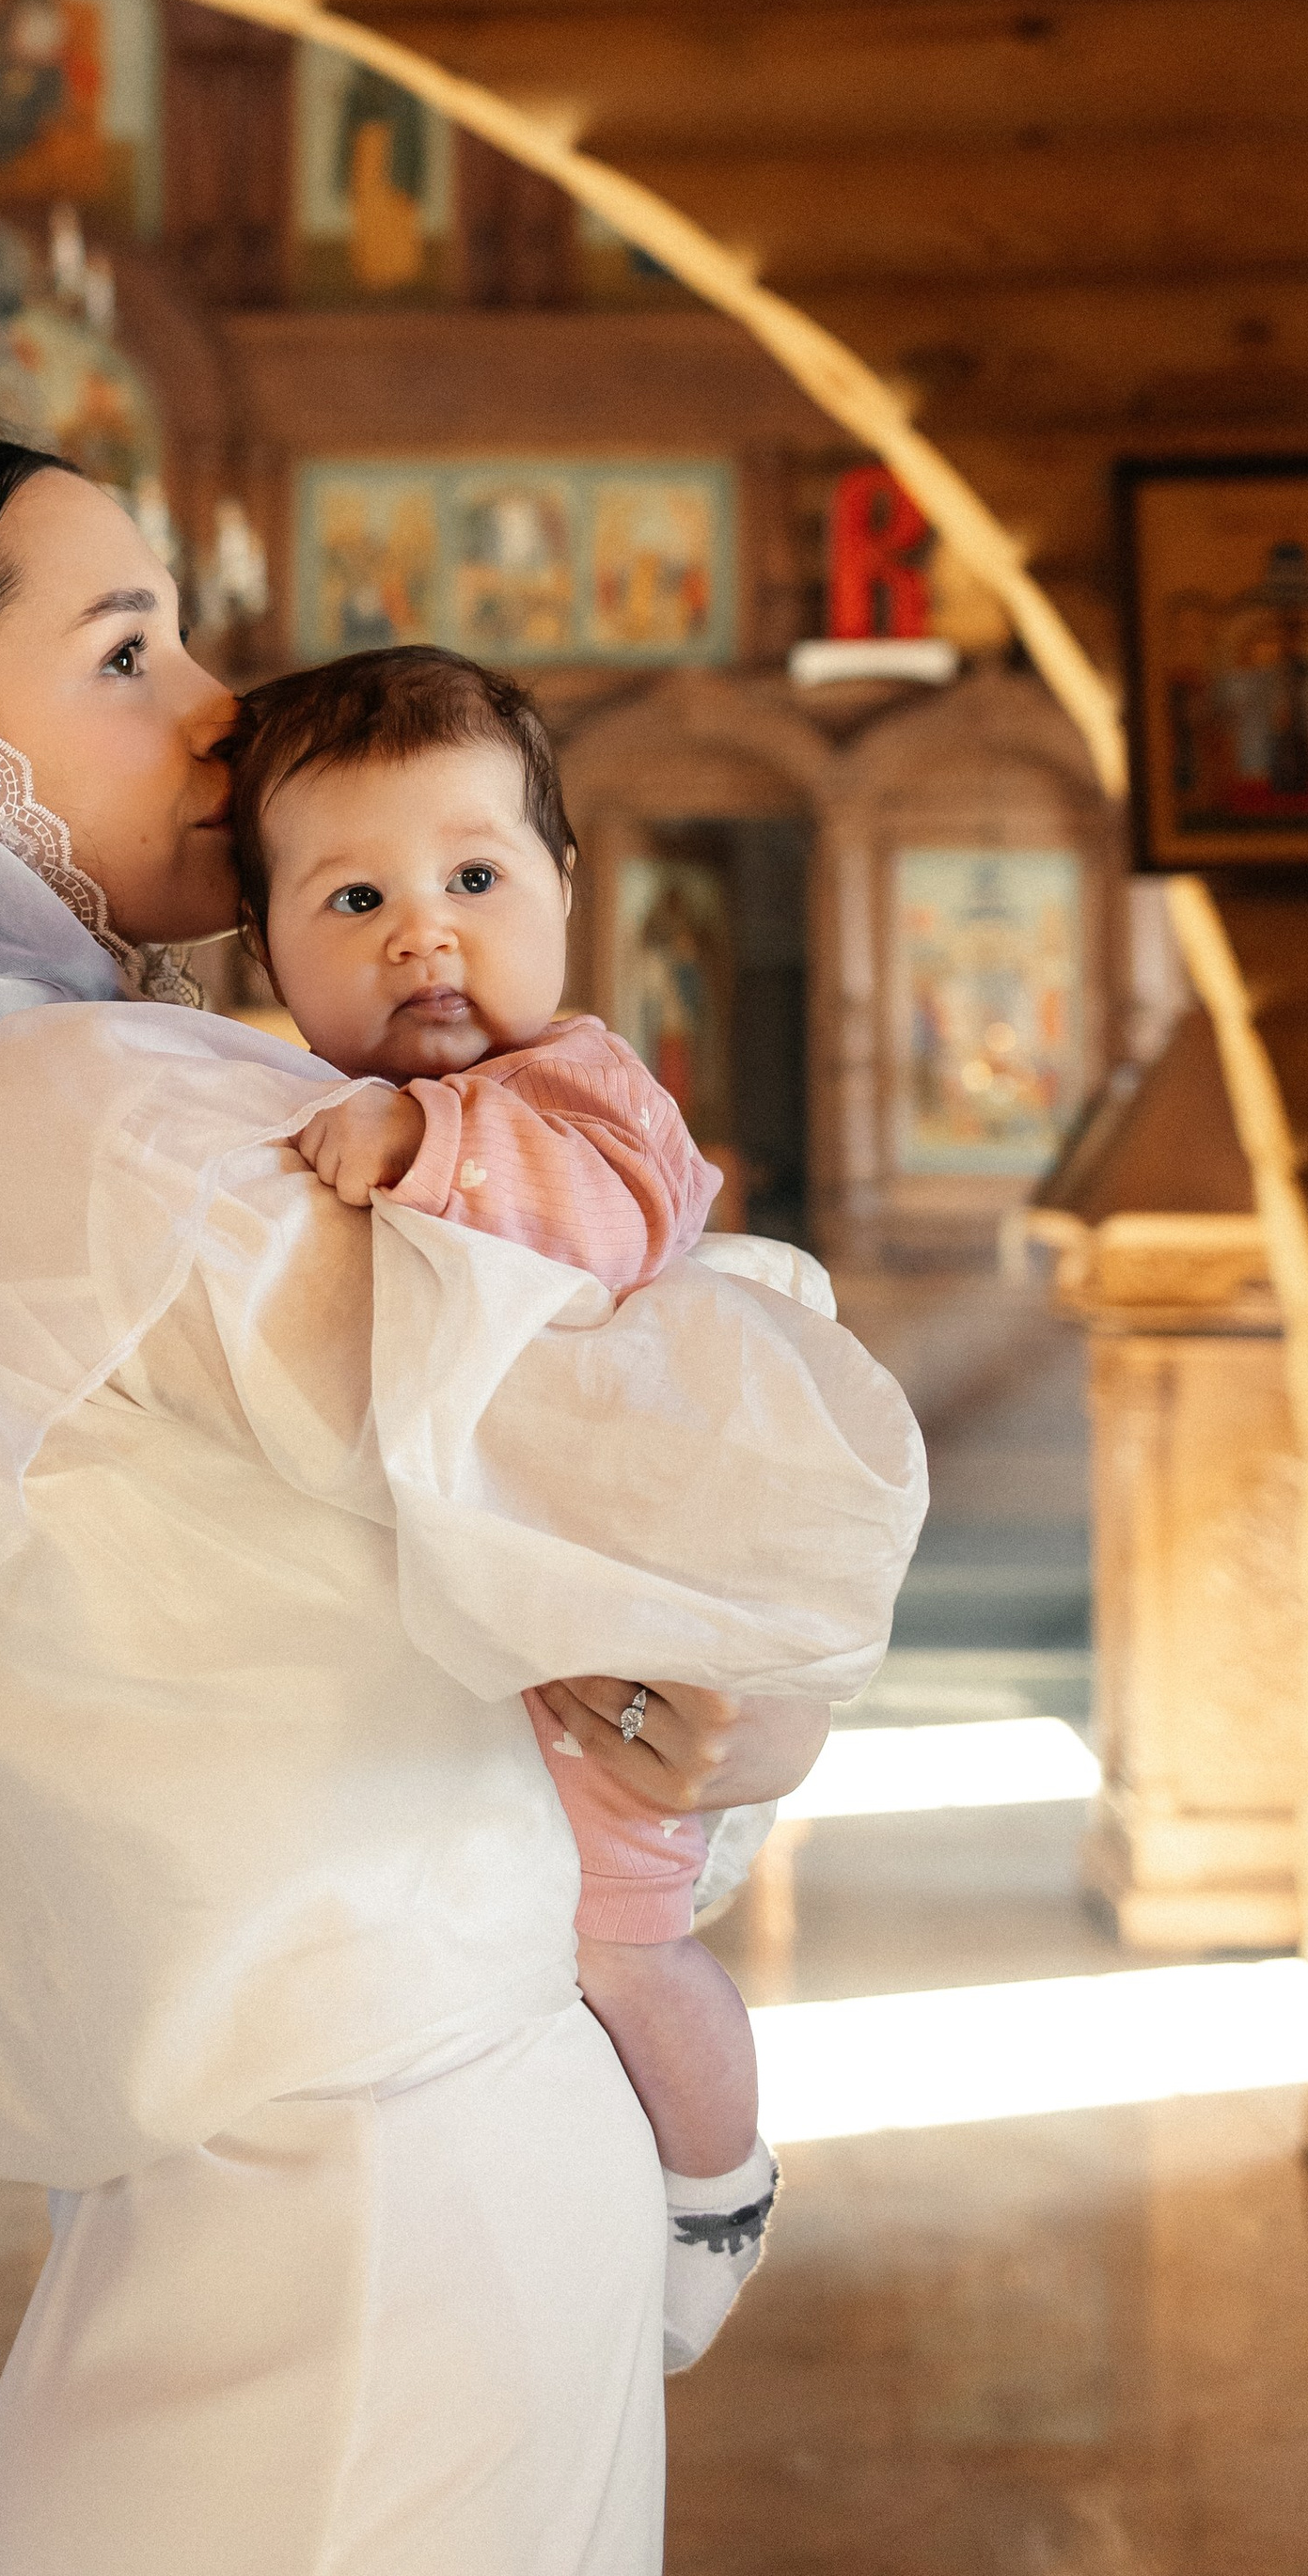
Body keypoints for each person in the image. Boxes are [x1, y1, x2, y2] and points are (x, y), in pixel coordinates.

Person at [0, 416, 924, 2576]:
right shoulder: (85, 1116)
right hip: (381, 2189)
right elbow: (739, 1493)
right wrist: (745, 1645)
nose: (221, 709)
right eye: (126, 651)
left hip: (294, 2173)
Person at [228, 647, 777, 2373]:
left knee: (621, 1943)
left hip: (626, 1619)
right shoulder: (302, 1101)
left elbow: (611, 1221)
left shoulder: (576, 1090)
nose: (424, 936)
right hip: (497, 1619)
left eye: (474, 877)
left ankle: (720, 2186)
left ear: (564, 889)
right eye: (356, 899)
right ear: (267, 953)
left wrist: (424, 1151)